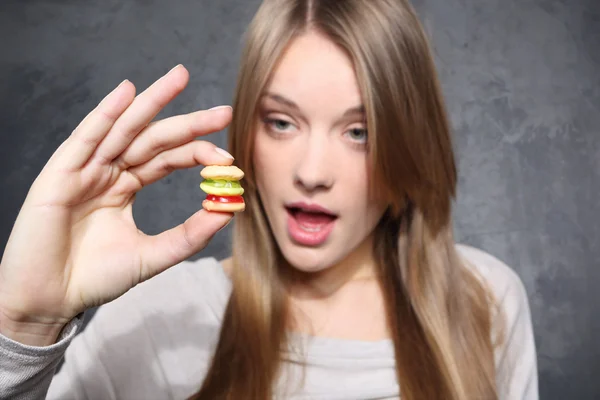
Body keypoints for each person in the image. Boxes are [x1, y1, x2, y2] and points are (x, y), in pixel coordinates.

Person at [0, 0, 538, 399]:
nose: (311, 173)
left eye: (359, 132)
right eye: (281, 122)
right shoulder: (155, 320)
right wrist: (22, 327)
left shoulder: (485, 302)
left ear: (408, 143)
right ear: (247, 140)